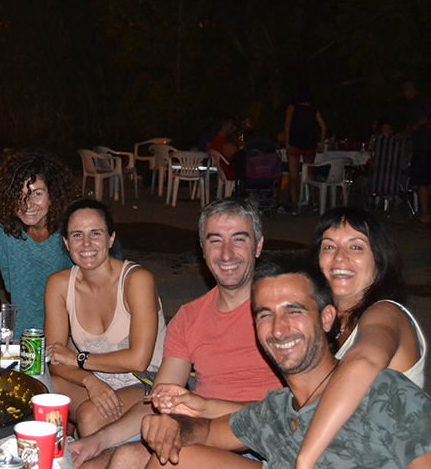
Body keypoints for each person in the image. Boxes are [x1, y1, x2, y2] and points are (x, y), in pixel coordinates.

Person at [138, 256, 431, 469]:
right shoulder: (275, 410)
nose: (279, 330)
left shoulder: (385, 392)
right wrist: (173, 427)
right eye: (265, 314)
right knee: (173, 460)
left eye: (294, 311)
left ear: (326, 318)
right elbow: (208, 432)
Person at [69, 199, 283, 469]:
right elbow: (160, 402)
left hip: (261, 442)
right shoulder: (189, 317)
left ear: (259, 246)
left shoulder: (282, 312)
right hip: (194, 430)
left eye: (239, 239)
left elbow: (295, 410)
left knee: (145, 461)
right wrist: (97, 441)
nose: (226, 254)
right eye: (215, 241)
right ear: (202, 249)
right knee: (92, 463)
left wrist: (204, 406)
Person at [295, 207, 426, 468]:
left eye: (356, 247)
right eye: (329, 247)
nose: (340, 257)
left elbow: (364, 361)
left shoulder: (386, 314)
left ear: (379, 262)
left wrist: (305, 460)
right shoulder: (325, 325)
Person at [44, 199, 166, 436]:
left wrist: (78, 359)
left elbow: (139, 360)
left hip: (145, 381)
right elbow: (55, 357)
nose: (86, 243)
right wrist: (89, 381)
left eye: (95, 233)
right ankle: (56, 452)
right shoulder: (59, 284)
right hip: (96, 377)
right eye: (77, 235)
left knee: (90, 416)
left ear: (111, 239)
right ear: (66, 243)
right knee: (42, 389)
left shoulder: (137, 280)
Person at [0, 149, 121, 336]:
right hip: (25, 331)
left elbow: (107, 281)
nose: (27, 204)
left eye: (37, 194)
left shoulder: (76, 223)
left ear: (53, 194)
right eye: (18, 194)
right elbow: (10, 282)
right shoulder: (1, 221)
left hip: (76, 330)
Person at [284, 81, 326, 207]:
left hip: (295, 144)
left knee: (293, 176)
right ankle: (314, 201)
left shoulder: (292, 107)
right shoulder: (313, 109)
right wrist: (321, 142)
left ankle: (294, 203)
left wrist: (287, 143)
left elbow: (287, 126)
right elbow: (323, 127)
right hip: (309, 144)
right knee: (310, 173)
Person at [396, 81, 431, 224]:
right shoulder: (426, 100)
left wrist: (405, 133)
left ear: (406, 91)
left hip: (423, 145)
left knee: (422, 181)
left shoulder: (415, 103)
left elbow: (422, 121)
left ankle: (424, 215)